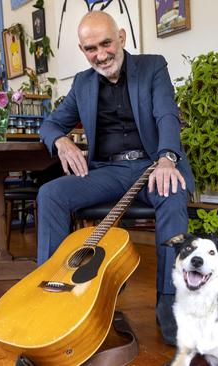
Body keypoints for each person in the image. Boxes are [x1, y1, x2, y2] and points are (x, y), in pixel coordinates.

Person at [37, 10, 194, 345]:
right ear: (83, 51)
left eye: (106, 43)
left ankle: (170, 302)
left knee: (173, 192)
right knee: (50, 194)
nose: (101, 54)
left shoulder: (153, 67)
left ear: (121, 38)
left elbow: (166, 113)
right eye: (91, 48)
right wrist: (61, 140)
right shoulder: (82, 83)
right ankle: (50, 291)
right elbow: (50, 124)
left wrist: (167, 158)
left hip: (153, 165)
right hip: (107, 172)